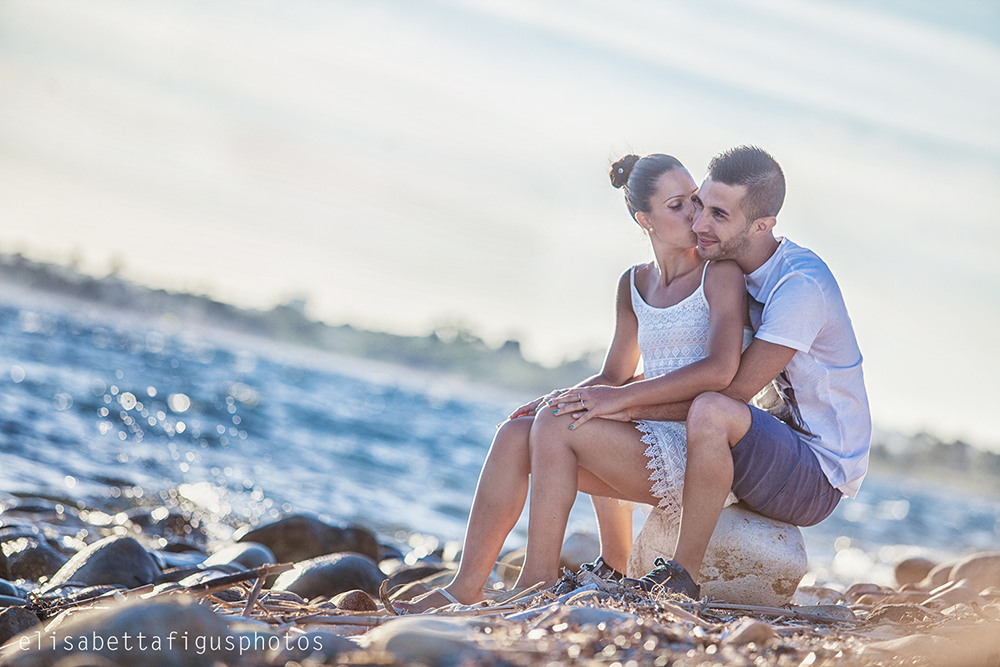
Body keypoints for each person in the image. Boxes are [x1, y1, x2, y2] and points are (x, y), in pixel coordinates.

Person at [398, 152, 751, 612]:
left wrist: (610, 402)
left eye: (697, 201)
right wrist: (559, 397)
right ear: (644, 219)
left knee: (559, 426)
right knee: (514, 434)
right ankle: (468, 585)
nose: (695, 214)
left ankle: (537, 578)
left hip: (694, 442)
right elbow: (613, 375)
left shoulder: (720, 274)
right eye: (678, 205)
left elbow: (720, 371)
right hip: (639, 426)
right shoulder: (633, 283)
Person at [613, 145, 872, 597]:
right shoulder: (730, 272)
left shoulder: (799, 285)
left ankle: (683, 576)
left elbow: (733, 390)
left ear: (761, 226)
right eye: (698, 205)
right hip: (774, 442)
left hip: (818, 474)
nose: (698, 224)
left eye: (717, 214)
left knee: (713, 410)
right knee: (615, 411)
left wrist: (624, 403)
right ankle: (614, 560)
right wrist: (601, 398)